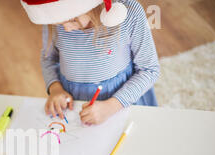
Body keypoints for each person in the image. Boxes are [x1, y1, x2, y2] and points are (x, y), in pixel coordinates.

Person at [20, 0, 160, 125]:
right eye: (59, 24)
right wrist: (55, 89)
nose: (66, 28)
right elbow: (48, 59)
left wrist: (111, 106)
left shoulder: (130, 14)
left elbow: (149, 70)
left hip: (122, 101)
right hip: (75, 103)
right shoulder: (55, 15)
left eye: (72, 20)